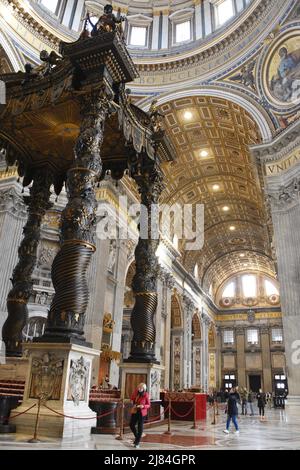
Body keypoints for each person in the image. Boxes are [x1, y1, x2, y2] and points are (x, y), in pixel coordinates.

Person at [130, 383, 150, 448]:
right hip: (135, 410)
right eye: (138, 387)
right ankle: (137, 437)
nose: (139, 389)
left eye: (141, 388)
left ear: (144, 389)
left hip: (142, 412)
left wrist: (143, 406)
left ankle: (137, 442)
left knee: (139, 426)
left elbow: (149, 405)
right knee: (131, 424)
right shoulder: (136, 392)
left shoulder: (146, 395)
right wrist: (132, 400)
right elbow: (132, 398)